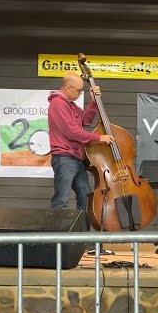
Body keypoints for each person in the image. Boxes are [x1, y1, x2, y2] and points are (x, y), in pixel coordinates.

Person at [48, 72, 115, 221]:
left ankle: (82, 238)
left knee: (85, 196)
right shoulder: (58, 104)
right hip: (64, 158)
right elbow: (72, 132)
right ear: (67, 87)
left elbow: (85, 120)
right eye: (78, 90)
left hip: (77, 159)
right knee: (61, 200)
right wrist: (99, 138)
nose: (79, 93)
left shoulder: (70, 105)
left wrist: (93, 102)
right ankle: (57, 240)